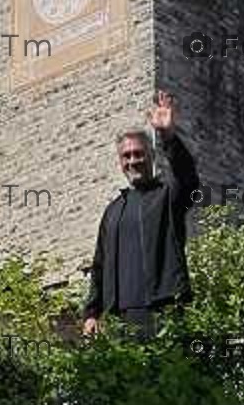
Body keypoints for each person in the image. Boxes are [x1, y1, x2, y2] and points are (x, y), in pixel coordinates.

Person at [83, 91, 199, 338]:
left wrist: (168, 136)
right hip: (117, 320)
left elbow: (188, 178)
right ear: (120, 162)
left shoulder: (168, 195)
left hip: (163, 311)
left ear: (151, 157)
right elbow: (99, 264)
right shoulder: (113, 211)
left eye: (138, 154)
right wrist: (92, 312)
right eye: (126, 156)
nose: (133, 161)